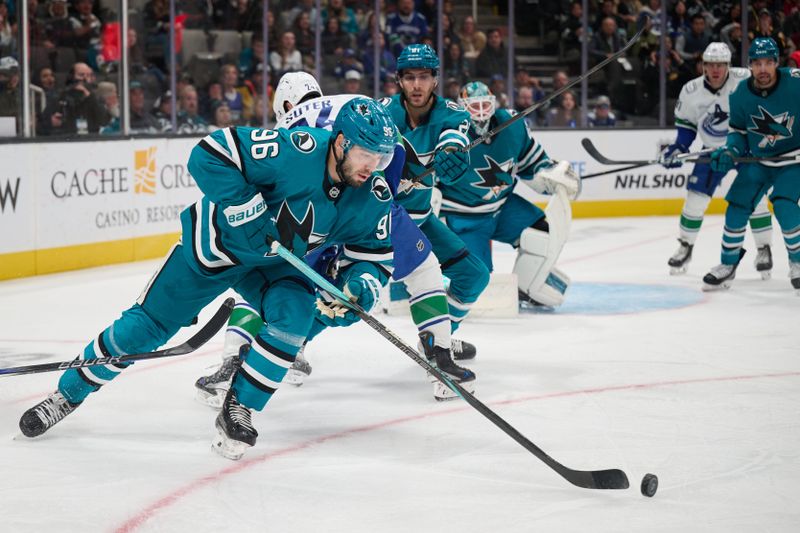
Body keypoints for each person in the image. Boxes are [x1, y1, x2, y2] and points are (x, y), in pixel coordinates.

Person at [19, 97, 400, 461]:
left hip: (272, 262)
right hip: (214, 249)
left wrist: (360, 286)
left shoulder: (372, 194)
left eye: (382, 157)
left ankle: (240, 407)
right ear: (341, 142)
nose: (373, 167)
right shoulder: (294, 151)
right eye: (367, 154)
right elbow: (211, 152)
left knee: (295, 315)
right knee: (144, 329)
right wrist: (242, 207)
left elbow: (374, 255)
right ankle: (67, 395)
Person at [196, 71, 476, 404]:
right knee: (419, 270)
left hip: (312, 213)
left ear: (285, 104)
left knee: (271, 278)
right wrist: (411, 182)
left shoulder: (285, 130)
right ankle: (441, 359)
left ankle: (234, 361)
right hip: (368, 203)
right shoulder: (355, 108)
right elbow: (399, 155)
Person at [381, 44, 490, 345]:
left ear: (435, 79)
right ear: (399, 80)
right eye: (410, 77)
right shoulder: (383, 114)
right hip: (378, 222)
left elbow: (452, 138)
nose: (417, 85)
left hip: (421, 220)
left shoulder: (451, 113)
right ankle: (291, 345)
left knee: (474, 275)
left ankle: (436, 338)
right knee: (343, 288)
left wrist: (451, 152)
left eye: (424, 76)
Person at [438, 81, 579, 307]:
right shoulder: (449, 133)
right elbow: (431, 184)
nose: (481, 111)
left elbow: (533, 166)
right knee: (477, 280)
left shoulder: (512, 125)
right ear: (462, 107)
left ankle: (526, 287)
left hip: (502, 208)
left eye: (485, 104)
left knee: (542, 232)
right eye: (474, 106)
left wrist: (554, 177)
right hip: (463, 219)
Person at [660, 43, 773, 277]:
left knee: (757, 199)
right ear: (703, 65)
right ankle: (685, 245)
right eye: (710, 64)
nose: (715, 70)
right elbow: (687, 126)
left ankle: (764, 248)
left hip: (744, 149)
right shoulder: (691, 91)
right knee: (695, 199)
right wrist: (678, 147)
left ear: (728, 66)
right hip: (711, 151)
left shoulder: (745, 80)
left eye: (720, 65)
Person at [704, 37, 800, 292]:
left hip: (793, 160)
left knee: (784, 204)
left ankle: (798, 262)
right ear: (749, 66)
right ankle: (728, 264)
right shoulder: (740, 95)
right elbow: (737, 134)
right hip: (761, 161)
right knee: (737, 204)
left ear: (777, 63)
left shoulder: (795, 81)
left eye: (768, 62)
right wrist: (730, 151)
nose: (763, 69)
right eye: (757, 64)